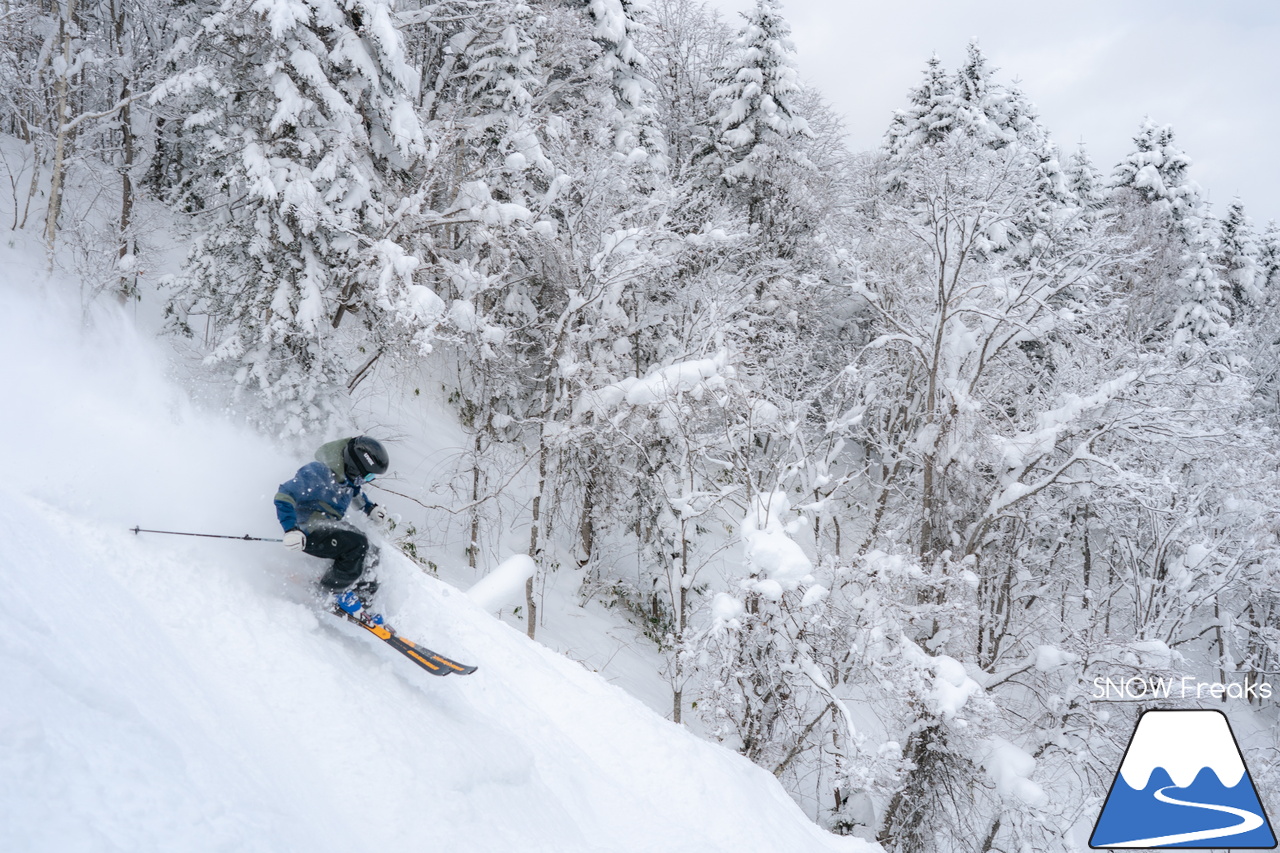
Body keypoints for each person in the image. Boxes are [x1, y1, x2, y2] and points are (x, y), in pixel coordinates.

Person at [275, 436, 390, 611]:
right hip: (308, 531)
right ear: (354, 465)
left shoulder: (348, 478)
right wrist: (291, 530)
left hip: (329, 527)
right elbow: (284, 496)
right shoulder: (317, 472)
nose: (366, 480)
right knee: (357, 545)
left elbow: (356, 494)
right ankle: (328, 592)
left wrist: (369, 509)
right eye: (367, 475)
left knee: (372, 551)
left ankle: (362, 602)